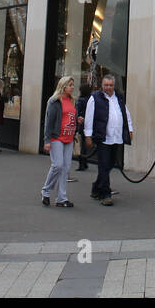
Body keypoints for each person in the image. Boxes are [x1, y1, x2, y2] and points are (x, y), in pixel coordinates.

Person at [84, 73, 133, 205]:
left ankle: (96, 186)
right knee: (103, 164)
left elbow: (125, 113)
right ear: (102, 85)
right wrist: (87, 135)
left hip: (116, 136)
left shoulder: (119, 97)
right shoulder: (95, 98)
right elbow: (89, 117)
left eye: (111, 85)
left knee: (110, 163)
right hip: (103, 137)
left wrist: (130, 129)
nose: (108, 87)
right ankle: (105, 194)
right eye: (106, 85)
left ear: (114, 85)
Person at [42, 75, 78, 208]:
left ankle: (61, 198)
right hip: (57, 137)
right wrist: (47, 140)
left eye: (73, 85)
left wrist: (77, 121)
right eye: (70, 85)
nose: (72, 87)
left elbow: (71, 117)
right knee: (57, 165)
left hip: (69, 137)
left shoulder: (72, 100)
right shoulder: (54, 101)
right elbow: (49, 121)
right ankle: (46, 190)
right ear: (63, 86)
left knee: (65, 168)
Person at [74, 83, 93, 171]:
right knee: (84, 144)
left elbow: (76, 112)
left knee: (81, 145)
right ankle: (85, 162)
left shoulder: (80, 100)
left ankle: (82, 163)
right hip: (89, 123)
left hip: (81, 123)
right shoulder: (91, 99)